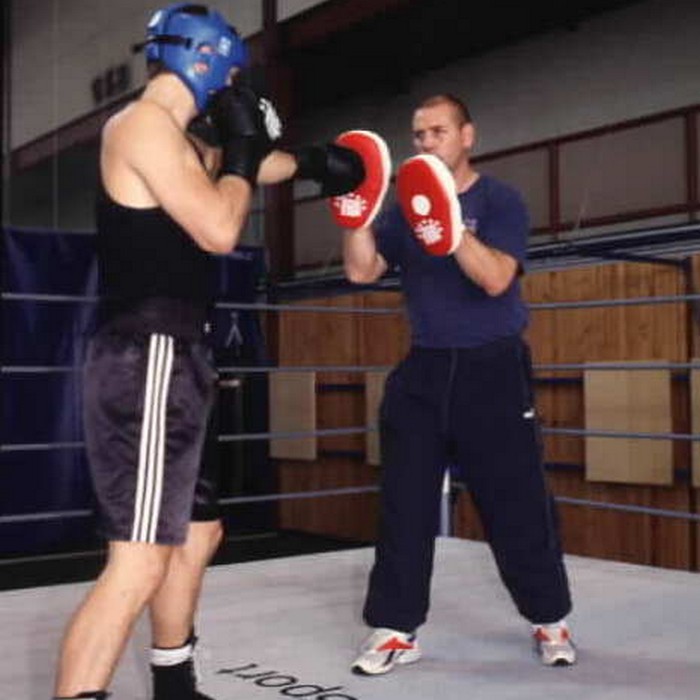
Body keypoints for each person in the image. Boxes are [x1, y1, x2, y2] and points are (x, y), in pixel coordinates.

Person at [52, 3, 365, 699]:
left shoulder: (185, 142)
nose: (232, 88)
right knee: (137, 562)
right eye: (229, 73)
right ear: (207, 61)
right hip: (147, 357)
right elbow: (221, 227)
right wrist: (247, 151)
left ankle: (174, 684)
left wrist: (320, 165)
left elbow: (248, 165)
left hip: (180, 356)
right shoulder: (141, 127)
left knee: (198, 533)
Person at [340, 93, 576, 675]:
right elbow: (362, 270)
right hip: (424, 367)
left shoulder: (500, 200)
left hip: (492, 368)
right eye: (418, 134)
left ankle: (549, 618)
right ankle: (395, 629)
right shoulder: (402, 209)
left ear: (467, 136)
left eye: (437, 131)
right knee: (404, 504)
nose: (425, 142)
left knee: (516, 502)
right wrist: (355, 218)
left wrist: (448, 230)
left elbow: (496, 279)